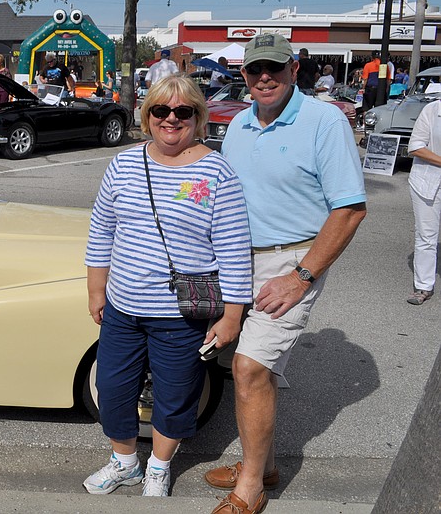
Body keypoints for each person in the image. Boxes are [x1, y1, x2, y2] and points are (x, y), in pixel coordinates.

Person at [206, 33, 366, 514]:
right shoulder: (238, 125)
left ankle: (251, 486)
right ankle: (265, 463)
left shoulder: (323, 121)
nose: (264, 77)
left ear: (294, 69)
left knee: (249, 368)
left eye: (274, 67)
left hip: (290, 262)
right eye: (255, 70)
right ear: (244, 75)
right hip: (237, 261)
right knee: (252, 369)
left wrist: (301, 277)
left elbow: (350, 210)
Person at [84, 74, 252, 498]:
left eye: (183, 112)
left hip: (181, 315)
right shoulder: (123, 163)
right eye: (161, 110)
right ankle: (124, 463)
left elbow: (233, 248)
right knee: (114, 388)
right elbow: (101, 230)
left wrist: (232, 315)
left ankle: (158, 467)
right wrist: (96, 290)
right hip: (123, 309)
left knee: (176, 395)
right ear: (148, 115)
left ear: (198, 117)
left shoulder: (216, 171)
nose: (171, 119)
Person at [406, 100, 441, 305]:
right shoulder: (433, 109)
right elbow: (416, 147)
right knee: (426, 236)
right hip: (428, 182)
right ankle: (423, 286)